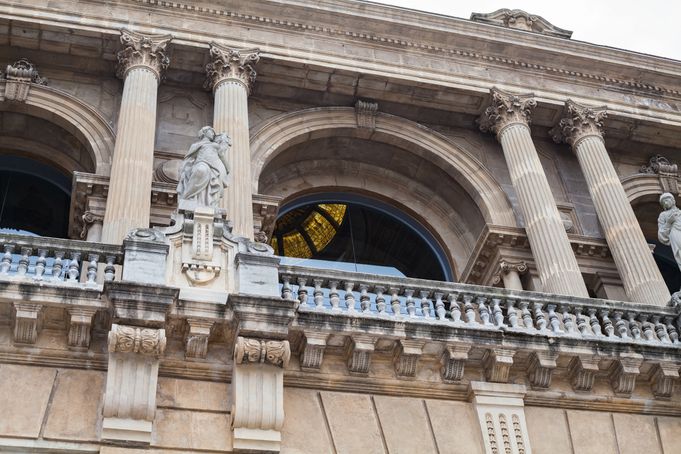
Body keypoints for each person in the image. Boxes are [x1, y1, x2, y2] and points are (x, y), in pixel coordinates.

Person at [177, 127, 231, 208]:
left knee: (213, 177)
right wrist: (183, 171)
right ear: (204, 133)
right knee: (201, 170)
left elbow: (222, 157)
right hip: (201, 163)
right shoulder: (196, 145)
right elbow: (188, 159)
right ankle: (187, 196)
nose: (213, 134)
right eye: (211, 131)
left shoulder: (215, 145)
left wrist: (228, 168)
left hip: (214, 167)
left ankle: (208, 203)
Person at [658, 192, 681, 272]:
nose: (665, 203)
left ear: (673, 200)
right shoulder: (663, 215)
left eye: (667, 200)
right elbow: (661, 235)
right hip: (676, 235)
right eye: (663, 202)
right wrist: (669, 222)